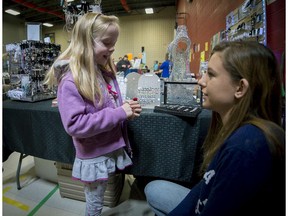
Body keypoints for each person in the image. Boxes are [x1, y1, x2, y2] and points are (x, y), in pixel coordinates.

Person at [144, 41, 285, 216]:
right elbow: (204, 186)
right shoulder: (240, 131)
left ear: (240, 87)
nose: (201, 81)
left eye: (211, 74)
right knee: (155, 188)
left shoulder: (245, 148)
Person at [44, 12, 142, 216]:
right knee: (95, 204)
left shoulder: (98, 72)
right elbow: (75, 125)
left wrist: (125, 111)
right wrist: (118, 114)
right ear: (85, 43)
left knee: (100, 196)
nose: (113, 48)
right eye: (107, 42)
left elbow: (104, 105)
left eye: (114, 42)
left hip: (104, 148)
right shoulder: (71, 81)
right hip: (94, 154)